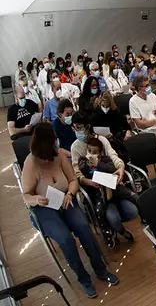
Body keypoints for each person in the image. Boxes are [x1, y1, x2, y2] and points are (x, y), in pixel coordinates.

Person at [20, 123, 119, 298]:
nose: (57, 144)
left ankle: (101, 270)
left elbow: (73, 179)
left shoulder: (58, 155)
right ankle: (84, 279)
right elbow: (26, 195)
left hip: (65, 201)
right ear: (45, 143)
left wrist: (70, 194)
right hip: (45, 208)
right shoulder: (31, 163)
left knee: (83, 228)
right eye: (54, 141)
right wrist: (37, 199)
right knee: (65, 239)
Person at [76, 137, 138, 248]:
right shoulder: (84, 162)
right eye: (89, 151)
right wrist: (90, 169)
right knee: (103, 214)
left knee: (130, 196)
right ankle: (110, 234)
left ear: (100, 153)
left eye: (95, 152)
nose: (91, 154)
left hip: (113, 189)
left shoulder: (105, 160)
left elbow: (111, 170)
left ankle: (145, 211)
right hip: (99, 194)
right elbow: (82, 173)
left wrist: (98, 164)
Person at [129, 75, 156, 146]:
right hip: (147, 129)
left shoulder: (151, 95)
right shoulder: (133, 101)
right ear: (139, 88)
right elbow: (139, 124)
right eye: (146, 85)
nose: (149, 87)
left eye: (148, 84)